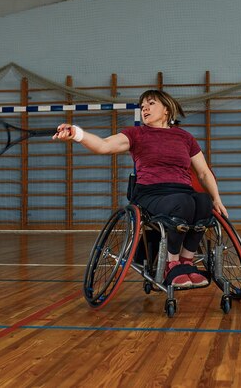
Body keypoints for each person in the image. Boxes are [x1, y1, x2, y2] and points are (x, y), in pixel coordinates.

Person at [53, 90, 227, 288]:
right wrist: (77, 133)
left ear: (167, 109)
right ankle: (171, 264)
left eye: (151, 103)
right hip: (151, 193)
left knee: (204, 202)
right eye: (142, 105)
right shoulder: (136, 134)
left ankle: (186, 262)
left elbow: (204, 173)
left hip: (181, 190)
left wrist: (217, 199)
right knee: (184, 202)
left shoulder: (185, 137)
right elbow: (103, 146)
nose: (144, 108)